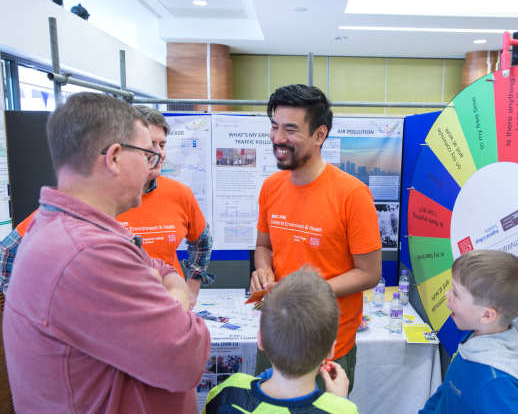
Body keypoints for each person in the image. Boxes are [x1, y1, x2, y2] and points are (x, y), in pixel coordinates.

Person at [3, 93, 211, 413]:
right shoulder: (88, 254)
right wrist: (177, 300)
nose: (152, 165)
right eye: (146, 154)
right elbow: (189, 355)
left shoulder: (72, 229)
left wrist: (168, 284)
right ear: (114, 157)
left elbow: (156, 264)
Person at [0, 105, 213, 304]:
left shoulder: (179, 193)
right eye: (149, 146)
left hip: (165, 309)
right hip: (107, 319)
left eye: (162, 145)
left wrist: (191, 287)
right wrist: (27, 307)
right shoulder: (93, 196)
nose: (158, 154)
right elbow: (8, 252)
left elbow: (202, 241)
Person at [249, 84, 382, 391]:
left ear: (319, 135)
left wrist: (306, 291)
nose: (278, 138)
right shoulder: (271, 187)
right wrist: (263, 269)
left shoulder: (352, 194)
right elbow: (263, 245)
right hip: (276, 337)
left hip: (327, 344)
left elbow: (370, 273)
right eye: (274, 127)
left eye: (291, 129)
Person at [204, 269, 358, 413]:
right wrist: (338, 402)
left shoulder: (228, 390)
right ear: (331, 349)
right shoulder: (340, 410)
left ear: (261, 341)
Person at [419, 249, 518, 414]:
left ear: (486, 315)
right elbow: (445, 393)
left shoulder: (496, 385)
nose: (447, 294)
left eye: (456, 293)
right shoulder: (474, 336)